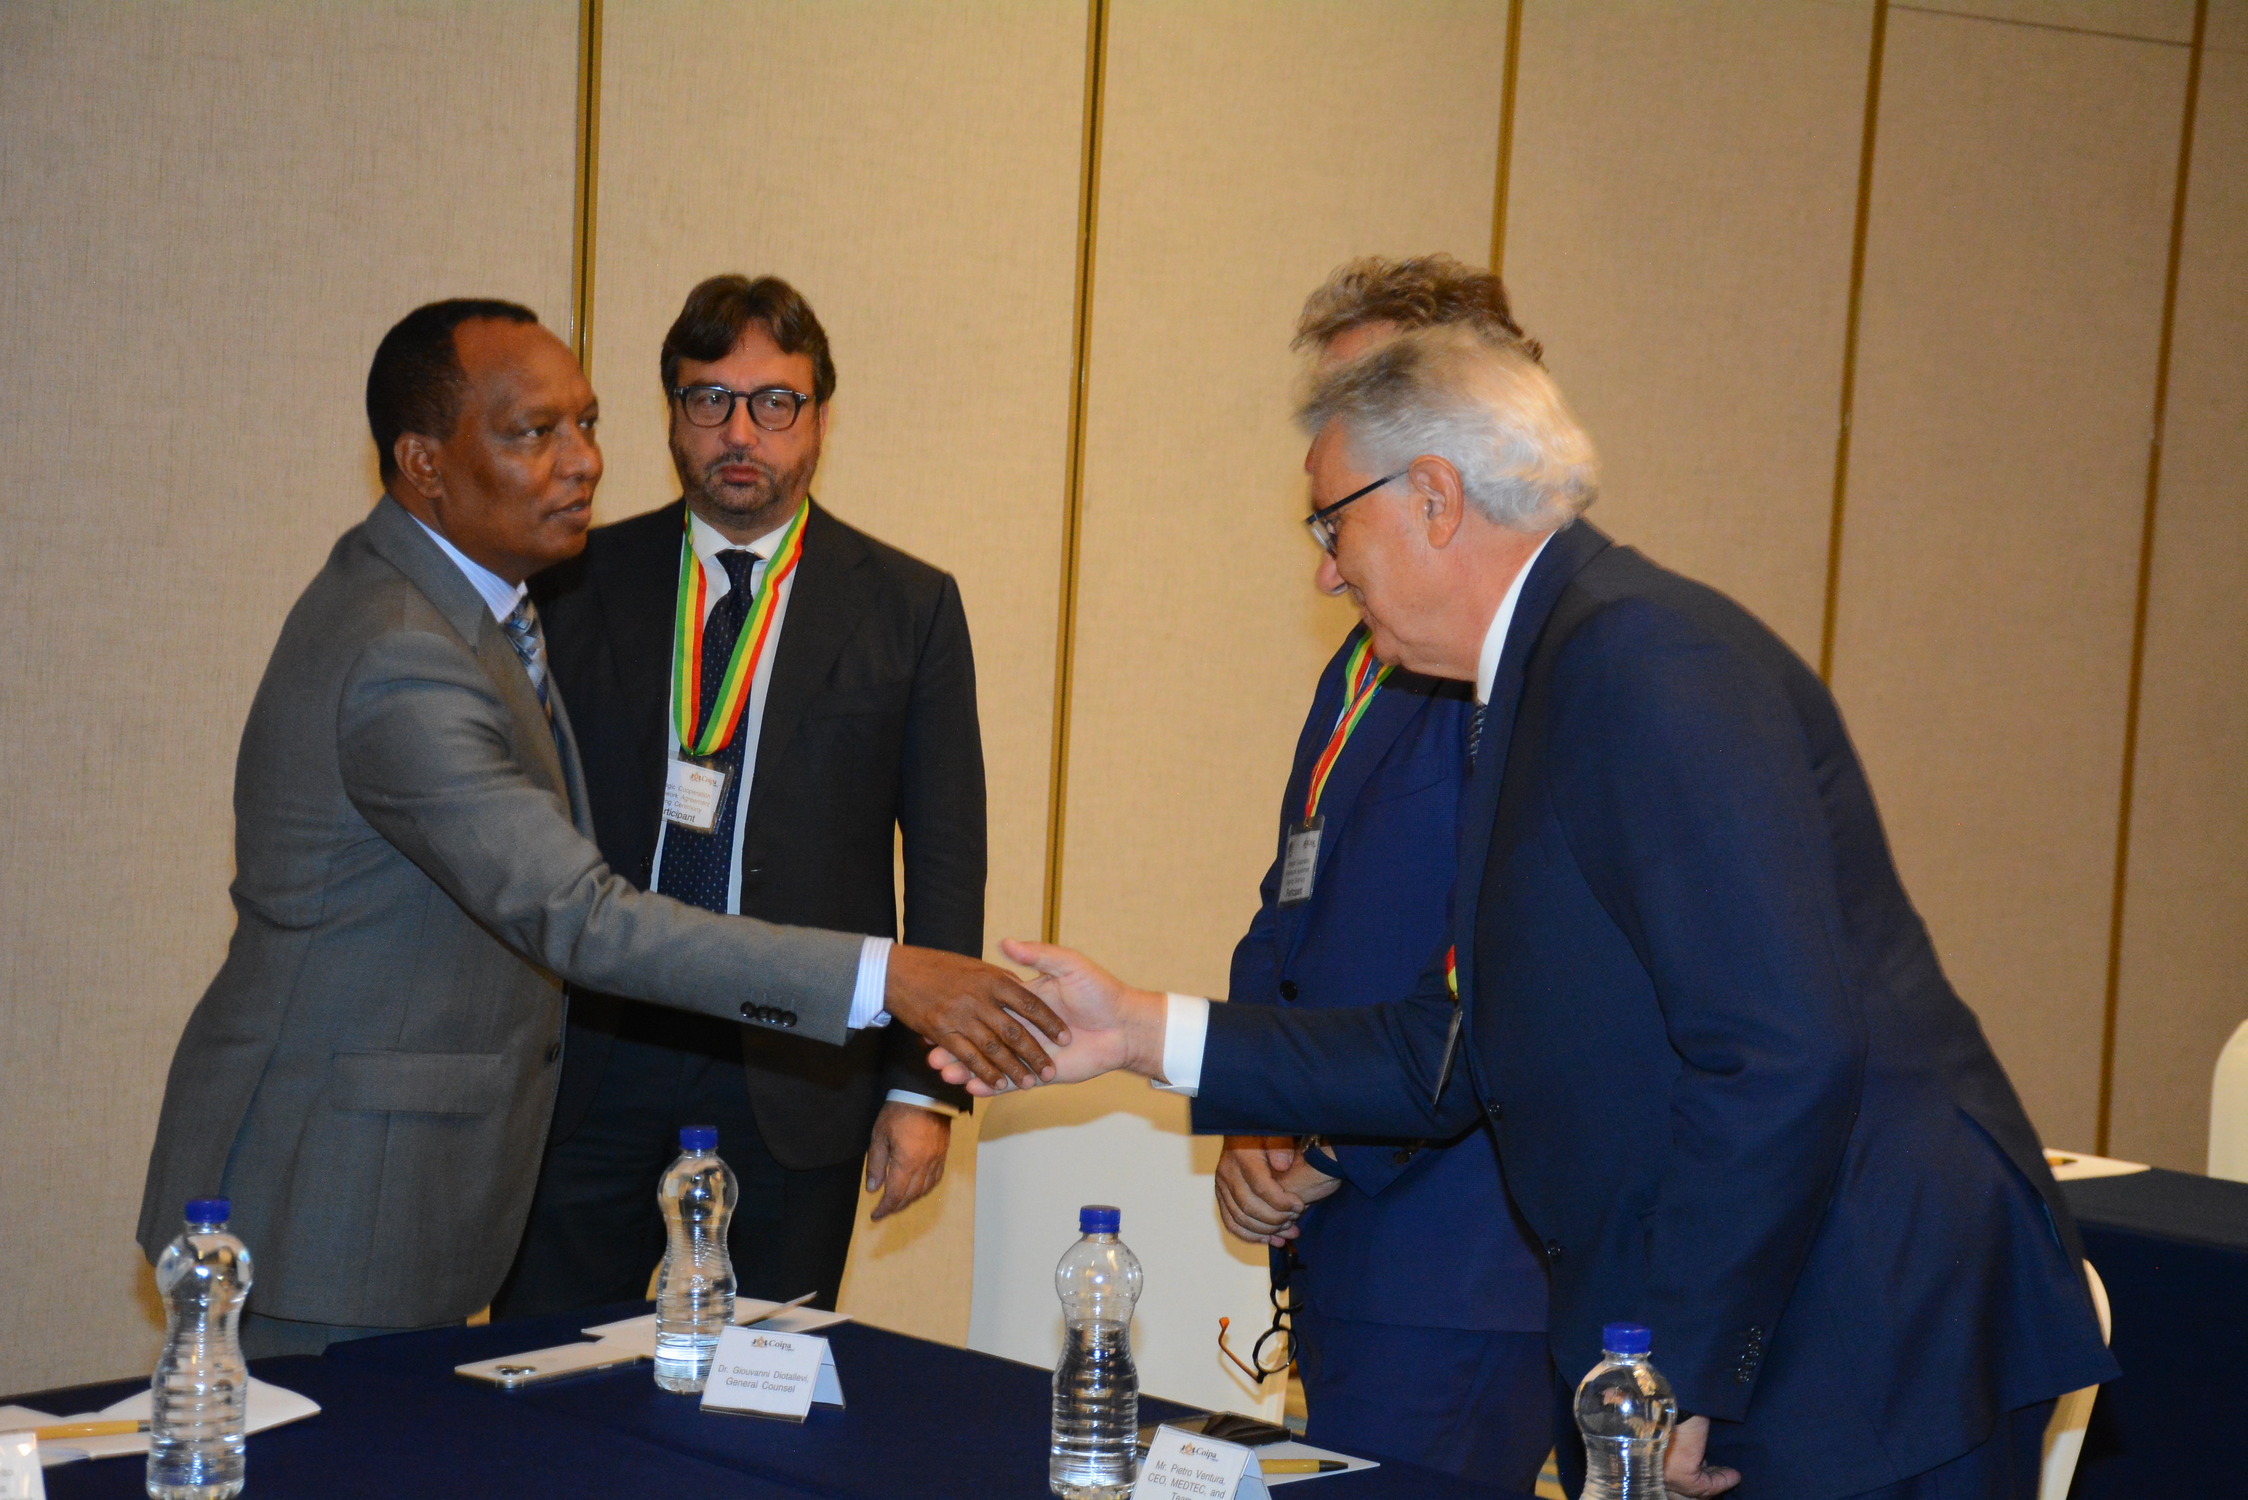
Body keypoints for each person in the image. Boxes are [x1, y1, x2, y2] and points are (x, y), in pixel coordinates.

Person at [936, 326, 2117, 1498]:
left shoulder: (1645, 664)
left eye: (1331, 524)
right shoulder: (1537, 677)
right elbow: (1448, 1046)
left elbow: (1781, 1049)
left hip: (1854, 1326)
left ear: (1434, 498)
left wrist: (1681, 1363)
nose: (1326, 571)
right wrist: (1134, 1030)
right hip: (1762, 1301)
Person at [137, 299, 1067, 1358]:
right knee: (463, 1403)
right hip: (362, 1172)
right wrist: (886, 978)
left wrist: (914, 1078)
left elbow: (942, 845)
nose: (582, 461)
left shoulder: (478, 611)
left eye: (584, 424)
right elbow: (576, 914)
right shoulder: (414, 646)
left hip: (765, 1086)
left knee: (738, 1387)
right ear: (424, 462)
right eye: (535, 432)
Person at [496, 276, 977, 1320]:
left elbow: (946, 861)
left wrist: (921, 1088)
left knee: (764, 1382)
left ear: (820, 417)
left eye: (775, 402)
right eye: (709, 399)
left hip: (798, 1072)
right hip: (597, 1057)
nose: (741, 432)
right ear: (671, 414)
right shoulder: (573, 581)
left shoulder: (908, 607)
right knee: (544, 1364)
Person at [1213, 256, 1551, 1490]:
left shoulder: (1527, 670)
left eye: (1369, 403)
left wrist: (1333, 1153)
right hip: (1342, 1242)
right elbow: (1289, 911)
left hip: (1457, 1259)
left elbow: (1512, 980)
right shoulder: (1365, 656)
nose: (1330, 437)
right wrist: (1255, 1110)